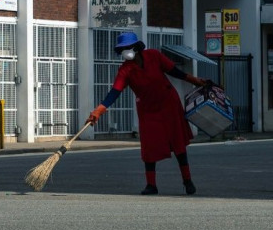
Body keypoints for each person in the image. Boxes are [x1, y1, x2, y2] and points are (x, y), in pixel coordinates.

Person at [87, 31, 209, 195]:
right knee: (149, 147)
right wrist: (99, 110)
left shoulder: (153, 56)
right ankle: (151, 185)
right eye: (122, 49)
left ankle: (187, 180)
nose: (125, 51)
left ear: (136, 47)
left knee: (178, 143)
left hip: (169, 104)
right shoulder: (125, 70)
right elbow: (114, 92)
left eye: (127, 47)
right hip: (148, 111)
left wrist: (194, 80)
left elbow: (174, 72)